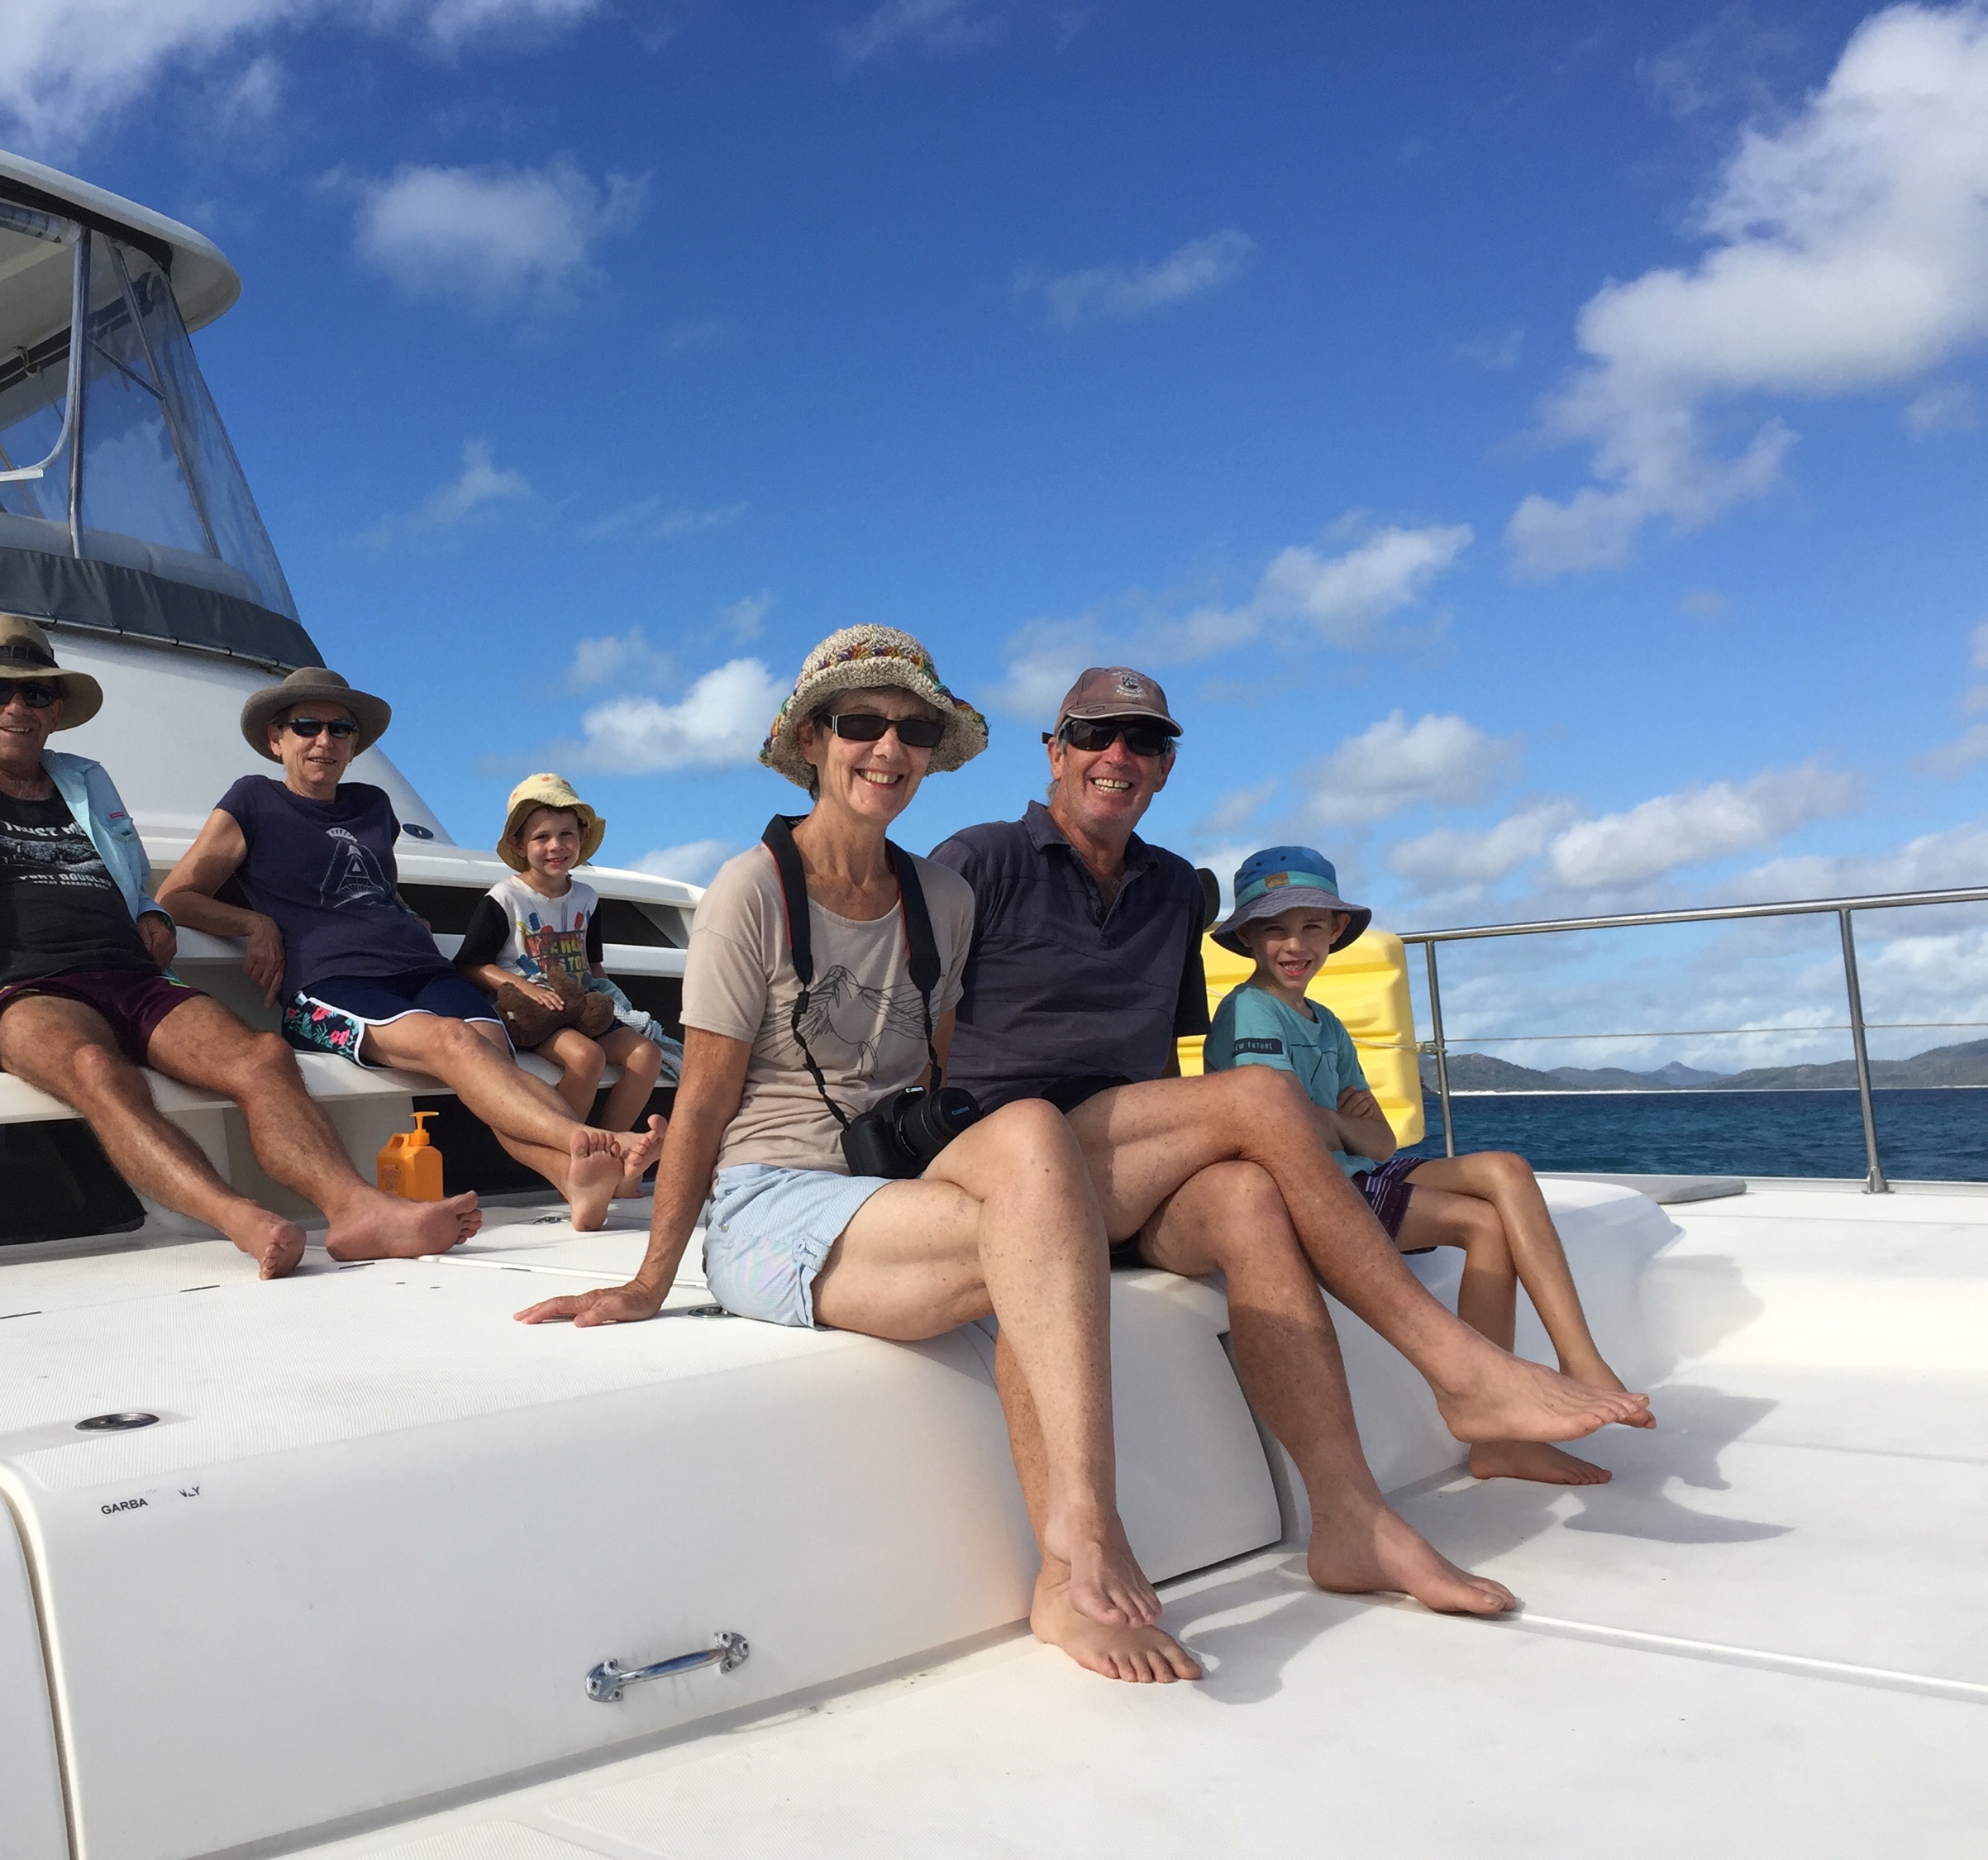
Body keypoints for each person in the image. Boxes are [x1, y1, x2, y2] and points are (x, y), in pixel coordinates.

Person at [515, 626, 1197, 1686]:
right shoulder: (750, 891)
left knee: (1030, 1133)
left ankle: (1070, 1554)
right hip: (770, 1201)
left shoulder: (945, 900)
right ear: (811, 740)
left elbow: (933, 1067)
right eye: (861, 723)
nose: (889, 747)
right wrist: (652, 1279)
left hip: (886, 1189)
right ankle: (1084, 1540)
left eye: (913, 730)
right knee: (1032, 1244)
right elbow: (705, 1100)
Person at [931, 667, 1652, 1618]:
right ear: (1055, 750)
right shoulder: (979, 860)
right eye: (1095, 734)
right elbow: (916, 1035)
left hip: (1127, 1166)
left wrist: (1201, 1154)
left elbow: (1161, 1063)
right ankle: (1459, 1368)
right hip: (1013, 1159)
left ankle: (1351, 1520)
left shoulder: (1173, 890)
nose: (1118, 755)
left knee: (1249, 1196)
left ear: (1166, 766)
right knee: (1263, 1094)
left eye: (1144, 740)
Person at [0, 615, 478, 1281]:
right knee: (95, 1068)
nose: (18, 707)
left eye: (37, 694)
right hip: (19, 985)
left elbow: (131, 882)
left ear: (56, 712)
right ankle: (243, 1219)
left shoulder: (87, 779)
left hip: (131, 975)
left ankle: (358, 1210)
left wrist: (152, 913)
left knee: (263, 1055)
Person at [157, 670, 662, 1232]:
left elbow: (375, 884)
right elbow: (175, 897)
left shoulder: (373, 805)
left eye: (340, 729)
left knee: (489, 1059)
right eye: (306, 726)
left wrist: (406, 913)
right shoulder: (253, 800)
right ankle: (593, 1143)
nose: (324, 740)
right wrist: (253, 922)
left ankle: (573, 1179)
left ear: (354, 744)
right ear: (277, 739)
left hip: (422, 969)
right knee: (455, 1043)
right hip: (330, 985)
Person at [1206, 847, 1644, 1485]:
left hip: (1354, 1171)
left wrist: (1338, 1124)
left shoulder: (1327, 1024)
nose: (1295, 944)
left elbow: (1381, 1142)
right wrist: (1342, 1123)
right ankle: (1499, 1435)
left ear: (1335, 931)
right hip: (1311, 1191)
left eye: (1312, 926)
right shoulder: (1250, 1011)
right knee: (1483, 1224)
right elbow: (1281, 1122)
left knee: (1507, 1168)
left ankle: (1578, 1360)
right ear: (1247, 936)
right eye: (1275, 928)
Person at [453, 774, 668, 1136]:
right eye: (542, 837)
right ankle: (567, 1150)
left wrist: (613, 1002)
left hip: (582, 1009)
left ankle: (613, 1148)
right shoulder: (505, 898)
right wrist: (524, 988)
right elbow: (470, 965)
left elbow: (592, 964)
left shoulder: (588, 898)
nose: (556, 846)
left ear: (582, 837)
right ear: (519, 844)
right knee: (587, 1057)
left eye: (566, 834)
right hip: (532, 1016)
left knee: (647, 1055)